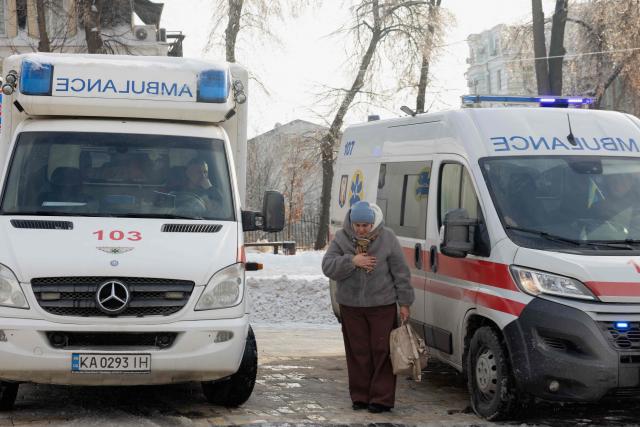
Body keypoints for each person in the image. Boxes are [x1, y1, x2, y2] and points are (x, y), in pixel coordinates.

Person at [322, 201, 414, 414]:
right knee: (358, 352)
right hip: (351, 306)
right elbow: (327, 266)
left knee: (382, 351)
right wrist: (352, 261)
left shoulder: (388, 238)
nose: (361, 229)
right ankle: (360, 396)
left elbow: (401, 273)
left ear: (373, 223)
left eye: (366, 225)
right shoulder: (342, 238)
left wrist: (405, 303)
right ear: (351, 223)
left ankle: (381, 399)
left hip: (382, 305)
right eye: (358, 225)